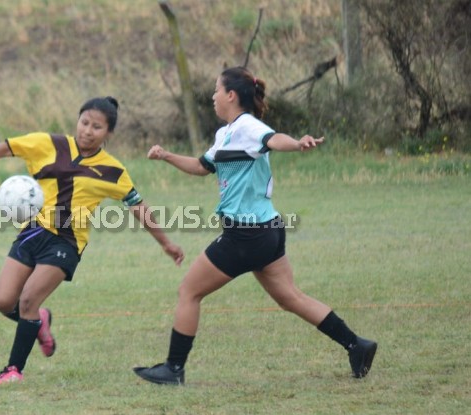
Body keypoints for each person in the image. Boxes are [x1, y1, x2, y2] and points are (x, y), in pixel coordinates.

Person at [133, 67, 377, 385]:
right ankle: (357, 345)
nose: (213, 96)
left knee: (188, 292)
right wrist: (166, 155)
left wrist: (298, 143)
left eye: (216, 90)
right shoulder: (226, 134)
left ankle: (173, 369)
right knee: (289, 296)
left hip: (245, 235)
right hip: (267, 230)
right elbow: (201, 166)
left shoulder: (248, 126)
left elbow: (273, 139)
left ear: (231, 95)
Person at [0, 96, 185, 385]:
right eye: (84, 123)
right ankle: (40, 323)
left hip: (66, 244)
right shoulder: (49, 144)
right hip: (33, 232)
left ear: (108, 133)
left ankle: (13, 371)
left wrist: (166, 243)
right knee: (2, 300)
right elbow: (8, 147)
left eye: (97, 127)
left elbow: (138, 207)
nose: (87, 131)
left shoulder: (113, 170)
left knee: (28, 300)